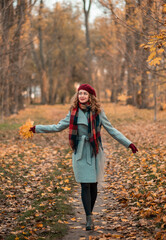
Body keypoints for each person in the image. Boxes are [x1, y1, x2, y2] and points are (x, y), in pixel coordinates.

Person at [30, 83, 138, 231]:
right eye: (80, 93)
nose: (82, 96)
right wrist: (37, 128)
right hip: (80, 151)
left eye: (85, 93)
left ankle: (90, 213)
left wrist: (128, 143)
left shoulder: (98, 112)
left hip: (94, 151)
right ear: (77, 95)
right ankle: (88, 218)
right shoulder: (73, 112)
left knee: (93, 185)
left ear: (90, 97)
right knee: (84, 184)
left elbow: (112, 130)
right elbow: (57, 127)